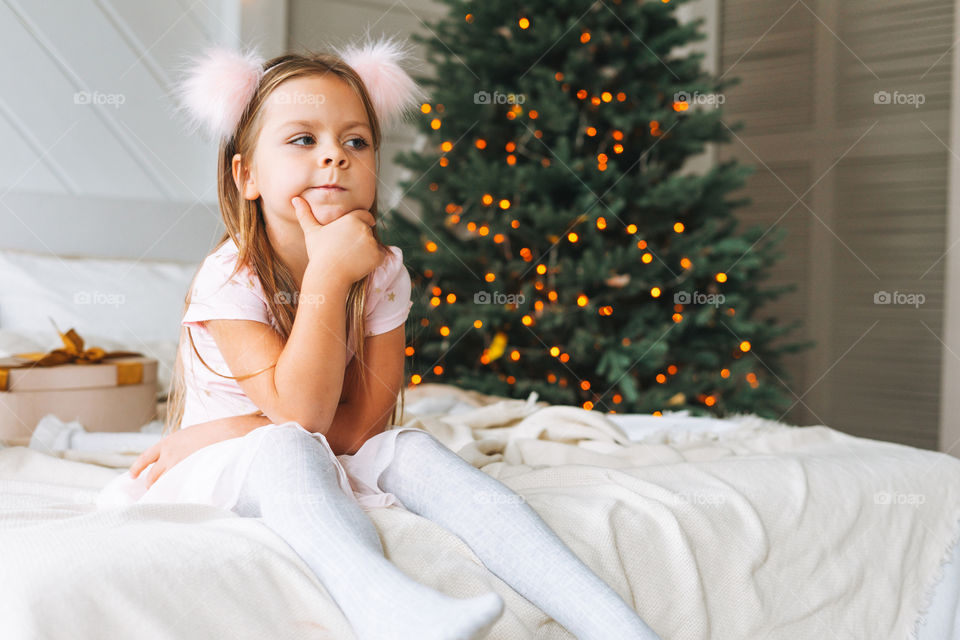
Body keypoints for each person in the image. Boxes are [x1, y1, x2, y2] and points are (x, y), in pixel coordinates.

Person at [97, 37, 662, 640]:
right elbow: (303, 416)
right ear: (248, 174)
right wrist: (329, 274)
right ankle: (391, 609)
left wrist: (227, 423)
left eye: (355, 141)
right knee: (287, 448)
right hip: (224, 467)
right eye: (302, 139)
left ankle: (615, 626)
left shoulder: (384, 271)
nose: (334, 157)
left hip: (314, 443)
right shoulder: (231, 275)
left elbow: (364, 426)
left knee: (414, 449)